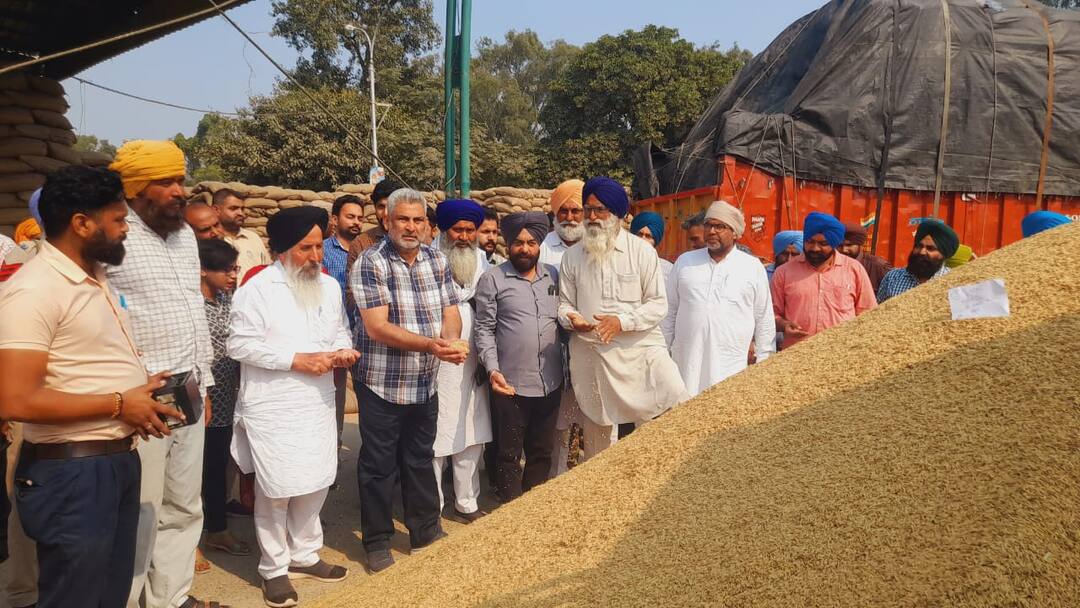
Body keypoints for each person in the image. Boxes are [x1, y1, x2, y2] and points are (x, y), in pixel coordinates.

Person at [0, 165, 185, 608]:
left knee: (108, 596)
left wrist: (140, 390)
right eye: (118, 220)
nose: (126, 230)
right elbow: (15, 398)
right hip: (73, 474)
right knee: (75, 597)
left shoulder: (94, 278)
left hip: (115, 461)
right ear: (82, 224)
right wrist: (120, 403)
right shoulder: (35, 290)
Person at [105, 140, 221, 608]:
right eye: (166, 182)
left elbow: (194, 310)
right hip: (141, 396)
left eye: (180, 180)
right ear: (135, 188)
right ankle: (128, 598)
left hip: (187, 388)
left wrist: (205, 383)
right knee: (140, 509)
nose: (178, 190)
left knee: (184, 504)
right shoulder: (113, 234)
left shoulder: (185, 235)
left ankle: (170, 598)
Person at [228, 206, 355, 607]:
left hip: (317, 402)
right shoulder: (257, 289)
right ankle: (274, 568)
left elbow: (340, 330)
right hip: (274, 406)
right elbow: (239, 344)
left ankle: (305, 554)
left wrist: (343, 350)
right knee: (277, 488)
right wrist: (295, 360)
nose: (316, 256)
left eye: (319, 247)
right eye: (306, 248)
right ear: (282, 250)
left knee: (316, 480)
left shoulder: (329, 286)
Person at [349, 188, 465, 573]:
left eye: (418, 220)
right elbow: (377, 327)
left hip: (424, 382)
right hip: (381, 382)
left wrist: (450, 342)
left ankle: (425, 532)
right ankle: (377, 541)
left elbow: (450, 311)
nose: (411, 227)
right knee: (379, 465)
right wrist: (433, 345)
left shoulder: (437, 259)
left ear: (427, 224)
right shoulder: (371, 262)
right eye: (403, 219)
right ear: (387, 221)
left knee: (420, 458)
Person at [557, 177, 689, 459]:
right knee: (598, 438)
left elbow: (658, 304)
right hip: (593, 353)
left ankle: (665, 470)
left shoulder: (642, 252)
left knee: (674, 398)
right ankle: (601, 484)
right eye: (588, 210)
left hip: (640, 351)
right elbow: (564, 304)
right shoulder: (572, 257)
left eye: (600, 210)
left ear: (617, 214)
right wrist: (572, 319)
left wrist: (621, 322)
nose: (592, 217)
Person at [474, 212, 562, 502]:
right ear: (508, 244)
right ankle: (510, 509)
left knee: (542, 451)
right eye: (518, 243)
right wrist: (492, 370)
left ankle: (532, 509)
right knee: (508, 453)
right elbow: (484, 329)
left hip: (550, 381)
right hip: (510, 383)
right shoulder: (492, 279)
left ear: (540, 245)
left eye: (531, 243)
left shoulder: (553, 275)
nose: (525, 249)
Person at [663, 201, 776, 397]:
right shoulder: (685, 262)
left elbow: (764, 320)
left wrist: (764, 364)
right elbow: (669, 312)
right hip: (687, 364)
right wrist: (662, 353)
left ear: (735, 233)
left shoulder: (752, 267)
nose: (712, 231)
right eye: (708, 225)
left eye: (720, 226)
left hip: (730, 366)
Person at [431, 200, 491, 523]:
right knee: (437, 431)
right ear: (444, 231)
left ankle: (466, 501)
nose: (465, 236)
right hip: (438, 357)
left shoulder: (482, 260)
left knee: (472, 428)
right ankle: (433, 506)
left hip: (473, 357)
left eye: (470, 230)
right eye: (458, 229)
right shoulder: (427, 259)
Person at [196, 239, 251, 560]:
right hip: (202, 399)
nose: (233, 275)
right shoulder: (191, 305)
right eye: (226, 270)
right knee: (201, 469)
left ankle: (217, 524)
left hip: (228, 396)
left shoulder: (229, 299)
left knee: (219, 463)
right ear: (203, 270)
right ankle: (203, 536)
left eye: (235, 269)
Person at [771, 211, 876, 350]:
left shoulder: (854, 270)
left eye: (823, 243)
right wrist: (784, 325)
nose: (815, 248)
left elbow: (869, 314)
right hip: (797, 354)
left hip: (842, 353)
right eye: (810, 242)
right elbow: (770, 315)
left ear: (834, 243)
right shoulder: (783, 272)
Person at [538, 179, 583, 477]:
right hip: (551, 342)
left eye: (575, 211)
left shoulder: (594, 245)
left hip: (587, 340)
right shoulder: (542, 248)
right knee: (558, 417)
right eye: (563, 211)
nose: (569, 217)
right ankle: (557, 477)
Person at [324, 195, 365, 450]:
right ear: (335, 219)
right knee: (334, 398)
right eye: (350, 217)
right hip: (335, 337)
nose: (356, 222)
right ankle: (333, 450)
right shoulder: (323, 251)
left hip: (364, 335)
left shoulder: (367, 250)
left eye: (360, 218)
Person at [877, 219, 958, 303]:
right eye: (919, 246)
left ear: (943, 255)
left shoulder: (954, 283)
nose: (922, 252)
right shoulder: (893, 278)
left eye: (930, 248)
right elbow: (878, 309)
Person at [213, 188, 271, 278]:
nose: (241, 213)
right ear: (216, 210)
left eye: (242, 209)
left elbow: (267, 270)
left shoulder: (253, 238)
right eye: (233, 208)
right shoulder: (211, 239)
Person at [839, 222, 891, 291]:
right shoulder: (830, 265)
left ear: (860, 245)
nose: (844, 250)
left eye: (849, 245)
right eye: (839, 246)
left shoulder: (878, 266)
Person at [630, 211, 673, 282]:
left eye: (648, 236)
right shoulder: (621, 263)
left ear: (655, 241)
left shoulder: (667, 270)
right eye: (640, 234)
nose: (642, 239)